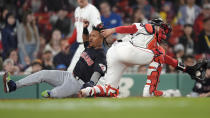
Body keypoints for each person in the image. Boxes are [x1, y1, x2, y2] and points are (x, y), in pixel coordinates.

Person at [79, 18, 209, 97]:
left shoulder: (151, 43)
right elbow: (130, 27)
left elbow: (167, 59)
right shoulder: (149, 27)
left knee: (110, 90)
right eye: (162, 28)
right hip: (126, 50)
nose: (164, 32)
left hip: (114, 52)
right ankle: (149, 91)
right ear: (156, 25)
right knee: (159, 54)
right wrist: (113, 30)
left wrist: (186, 69)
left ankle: (86, 91)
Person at [3, 24, 107, 98]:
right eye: (91, 35)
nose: (91, 38)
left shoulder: (101, 55)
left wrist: (91, 83)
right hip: (68, 75)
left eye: (94, 36)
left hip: (78, 84)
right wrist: (85, 28)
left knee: (51, 94)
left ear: (101, 38)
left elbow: (98, 71)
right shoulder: (89, 47)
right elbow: (85, 39)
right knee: (43, 73)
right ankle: (13, 86)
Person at [67, 0, 101, 73]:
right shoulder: (77, 10)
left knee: (93, 72)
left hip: (90, 46)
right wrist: (69, 42)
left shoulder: (92, 10)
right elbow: (77, 29)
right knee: (72, 71)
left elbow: (99, 26)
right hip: (81, 46)